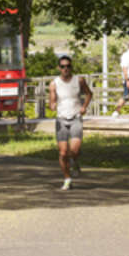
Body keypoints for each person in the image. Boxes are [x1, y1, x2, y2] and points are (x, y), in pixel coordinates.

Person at [48, 54, 92, 190]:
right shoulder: (54, 83)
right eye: (63, 66)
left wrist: (84, 107)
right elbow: (52, 101)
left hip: (76, 117)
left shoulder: (79, 80)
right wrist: (53, 105)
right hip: (61, 119)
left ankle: (75, 161)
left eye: (68, 66)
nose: (65, 69)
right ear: (59, 68)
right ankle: (67, 179)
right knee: (62, 153)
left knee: (74, 150)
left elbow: (89, 94)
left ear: (71, 67)